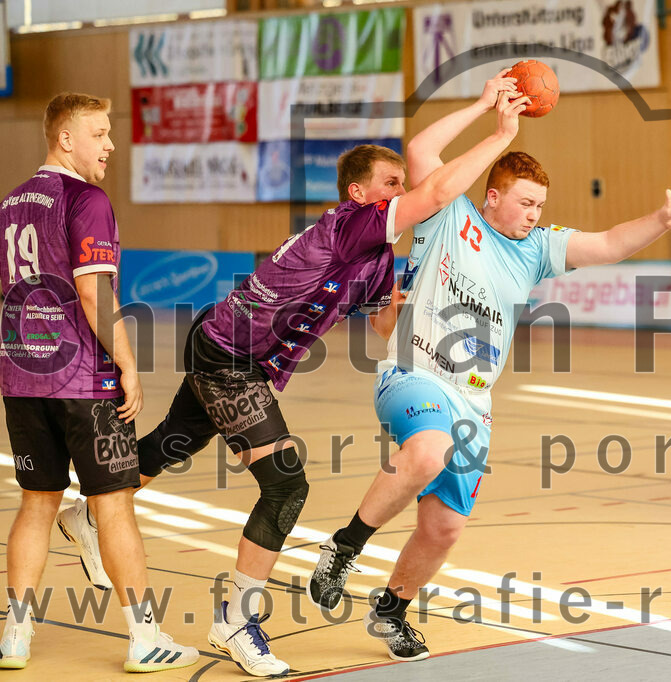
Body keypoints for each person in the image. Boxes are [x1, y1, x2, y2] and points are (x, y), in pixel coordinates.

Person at [56, 78, 529, 676]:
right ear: (360, 193)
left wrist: (426, 311)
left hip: (227, 347)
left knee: (174, 442)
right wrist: (498, 128)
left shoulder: (378, 259)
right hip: (230, 353)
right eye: (391, 186)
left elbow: (388, 329)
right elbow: (437, 187)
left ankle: (91, 509)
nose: (402, 194)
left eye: (399, 188)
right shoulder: (354, 223)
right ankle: (235, 622)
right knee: (286, 486)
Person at [306, 79, 671, 662]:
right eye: (524, 202)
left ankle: (391, 609)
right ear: (493, 196)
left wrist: (660, 220)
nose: (534, 214)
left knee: (443, 528)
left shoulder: (539, 247)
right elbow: (420, 152)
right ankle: (343, 549)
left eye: (540, 205)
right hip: (414, 373)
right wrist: (491, 121)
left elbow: (612, 244)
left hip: (474, 401)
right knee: (426, 453)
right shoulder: (449, 217)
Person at [0, 92, 199, 672]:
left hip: (21, 376)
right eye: (100, 132)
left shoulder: (10, 205)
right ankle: (144, 637)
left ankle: (14, 635)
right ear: (66, 138)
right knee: (112, 506)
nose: (110, 144)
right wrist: (130, 364)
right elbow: (94, 293)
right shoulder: (85, 199)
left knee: (36, 503)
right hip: (82, 380)